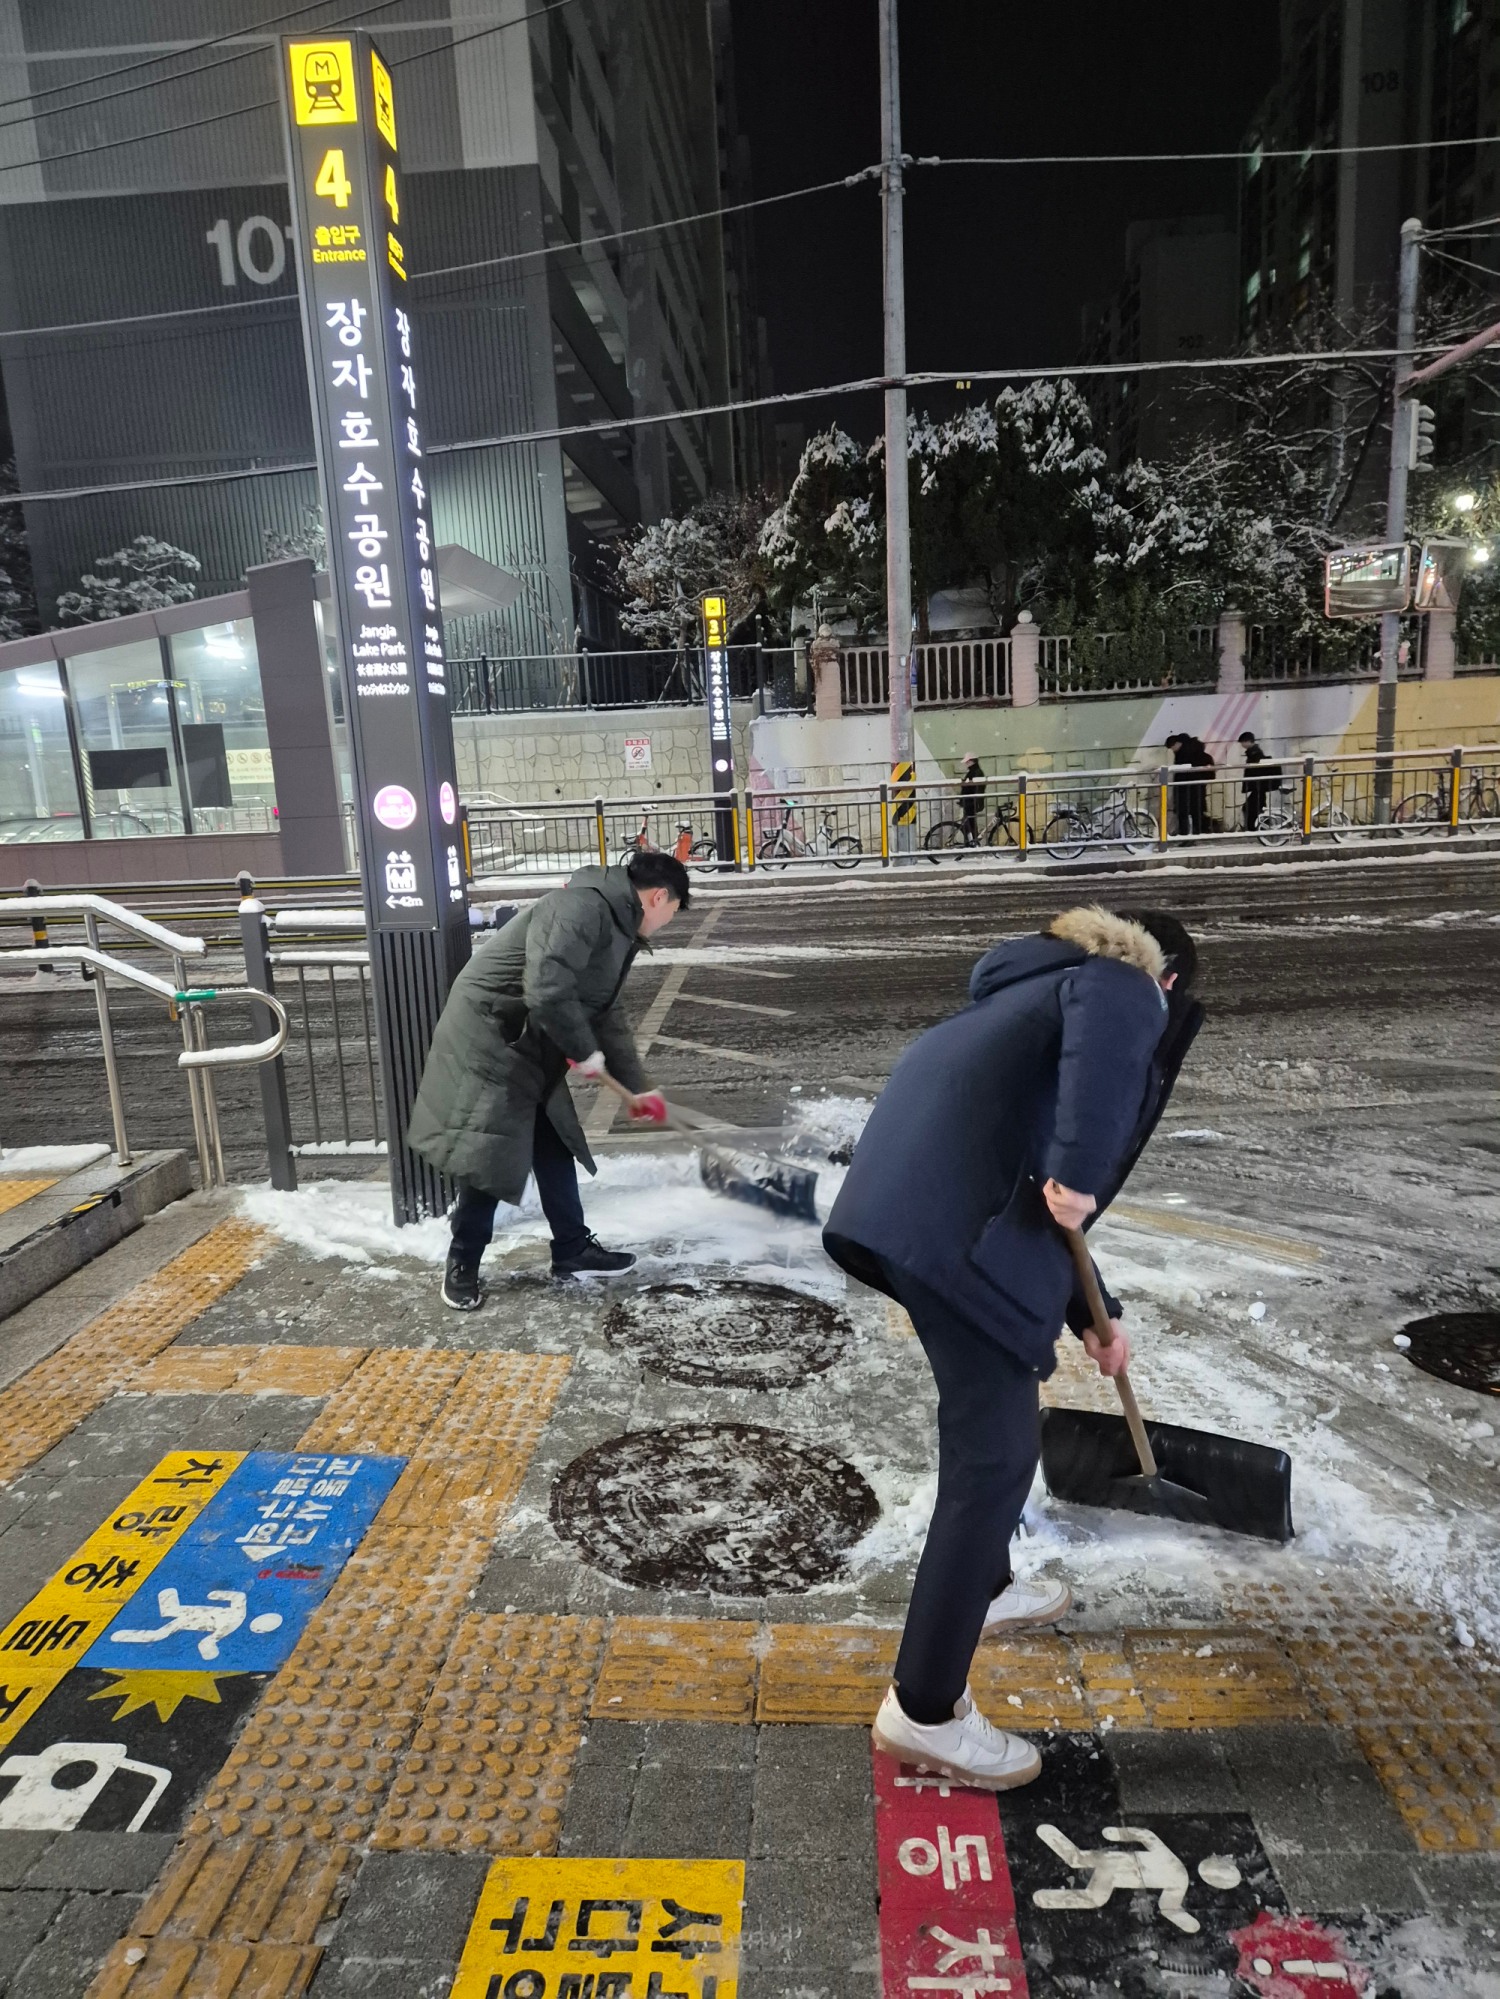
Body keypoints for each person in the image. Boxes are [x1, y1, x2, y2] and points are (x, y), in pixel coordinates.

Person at [823, 906, 1203, 1789]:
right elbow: (1065, 1168)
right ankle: (924, 1708)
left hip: (919, 1219)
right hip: (955, 1235)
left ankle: (984, 1584)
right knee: (993, 1459)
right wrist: (1081, 1164)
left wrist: (1095, 1317)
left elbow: (1038, 1189)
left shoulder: (1031, 990)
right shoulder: (1117, 983)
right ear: (1167, 979)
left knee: (995, 1423)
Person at [408, 851, 689, 1308]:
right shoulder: (580, 908)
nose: (665, 923)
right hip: (493, 1036)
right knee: (492, 1148)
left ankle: (572, 1248)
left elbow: (604, 1013)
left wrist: (636, 1087)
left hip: (532, 1037)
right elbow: (546, 988)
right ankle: (462, 1263)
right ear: (659, 897)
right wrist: (584, 1054)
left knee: (553, 1141)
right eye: (672, 913)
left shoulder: (616, 926)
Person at [1164, 732, 1215, 836]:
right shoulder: (1201, 753)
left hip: (1185, 789)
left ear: (1178, 743)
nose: (1172, 750)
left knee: (1183, 813)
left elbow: (1180, 774)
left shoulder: (1183, 754)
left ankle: (1185, 835)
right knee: (1197, 812)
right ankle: (1198, 832)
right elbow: (1210, 773)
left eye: (1172, 747)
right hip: (1198, 787)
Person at [1238, 730, 1282, 832]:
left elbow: (1255, 769)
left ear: (1248, 741)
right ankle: (1259, 827)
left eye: (1243, 742)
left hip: (1258, 785)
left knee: (1253, 807)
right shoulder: (1254, 752)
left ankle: (1256, 827)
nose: (1242, 745)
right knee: (1257, 806)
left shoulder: (1254, 753)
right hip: (1258, 786)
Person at [957, 755, 987, 844]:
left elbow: (975, 788)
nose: (966, 763)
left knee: (970, 822)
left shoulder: (975, 772)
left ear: (972, 761)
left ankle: (972, 841)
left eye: (967, 761)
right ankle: (971, 841)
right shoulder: (974, 771)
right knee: (970, 822)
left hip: (970, 801)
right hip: (970, 801)